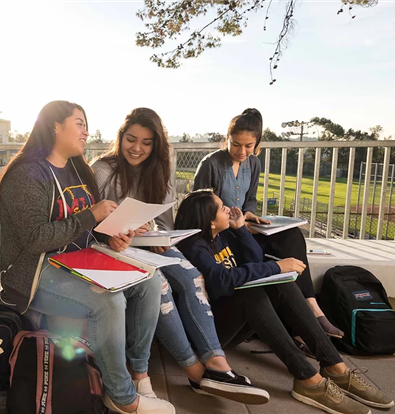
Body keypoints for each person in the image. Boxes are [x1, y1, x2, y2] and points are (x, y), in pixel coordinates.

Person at [0, 101, 175, 414]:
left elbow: (87, 227)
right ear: (54, 126)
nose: (86, 132)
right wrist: (91, 216)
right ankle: (121, 397)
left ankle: (139, 373)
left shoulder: (77, 169)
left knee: (149, 280)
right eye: (79, 123)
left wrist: (111, 235)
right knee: (108, 301)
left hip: (78, 260)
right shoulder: (27, 175)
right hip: (36, 272)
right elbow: (35, 239)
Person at [90, 108, 269, 404]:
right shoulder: (102, 169)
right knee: (158, 282)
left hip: (147, 243)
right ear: (120, 137)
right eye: (131, 140)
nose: (137, 148)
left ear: (156, 145)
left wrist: (158, 235)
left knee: (190, 274)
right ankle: (194, 370)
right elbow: (91, 221)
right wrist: (116, 233)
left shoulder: (159, 170)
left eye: (146, 143)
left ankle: (217, 363)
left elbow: (164, 220)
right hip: (112, 245)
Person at [174, 190, 394, 414]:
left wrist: (240, 229)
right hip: (210, 333)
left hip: (235, 321)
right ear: (210, 221)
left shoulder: (223, 235)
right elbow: (222, 281)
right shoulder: (193, 247)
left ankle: (335, 366)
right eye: (222, 208)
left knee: (282, 284)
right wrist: (277, 266)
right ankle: (309, 379)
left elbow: (255, 260)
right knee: (252, 294)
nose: (229, 209)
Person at [192, 108, 344, 339]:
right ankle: (300, 323)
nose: (241, 151)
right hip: (222, 232)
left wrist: (249, 214)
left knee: (292, 236)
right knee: (276, 257)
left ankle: (313, 307)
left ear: (257, 143)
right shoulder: (211, 164)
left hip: (243, 226)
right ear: (227, 139)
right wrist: (236, 225)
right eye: (235, 144)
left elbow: (250, 198)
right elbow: (200, 207)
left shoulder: (253, 164)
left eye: (248, 146)